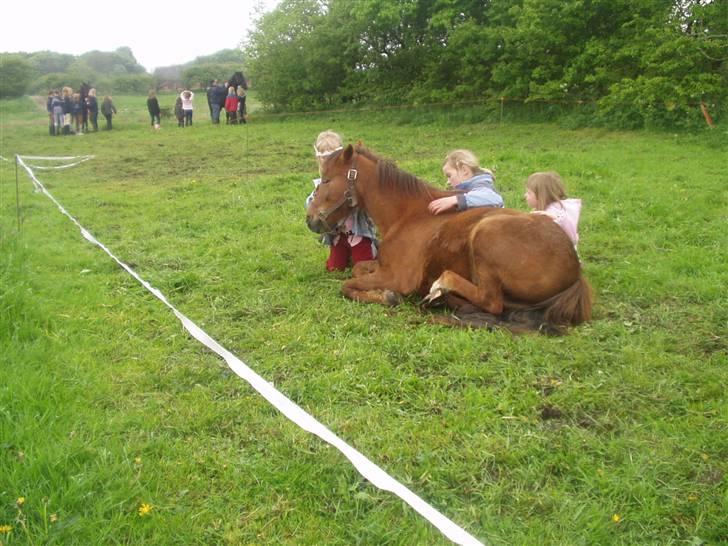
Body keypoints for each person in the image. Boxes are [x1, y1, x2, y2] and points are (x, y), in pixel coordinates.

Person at [305, 130, 377, 272]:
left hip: (357, 233)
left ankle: (374, 249)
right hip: (337, 236)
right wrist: (316, 199)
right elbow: (310, 203)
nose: (327, 160)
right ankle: (345, 254)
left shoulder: (348, 178)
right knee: (334, 268)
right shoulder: (321, 183)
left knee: (363, 267)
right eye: (324, 157)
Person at [428, 149, 503, 214]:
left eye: (449, 176)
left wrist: (456, 199)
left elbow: (494, 198)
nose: (448, 182)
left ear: (464, 170)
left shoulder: (481, 184)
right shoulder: (470, 188)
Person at [524, 171, 581, 247]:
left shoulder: (555, 214)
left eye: (529, 193)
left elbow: (571, 238)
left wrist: (556, 219)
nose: (525, 195)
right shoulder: (542, 210)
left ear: (541, 196)